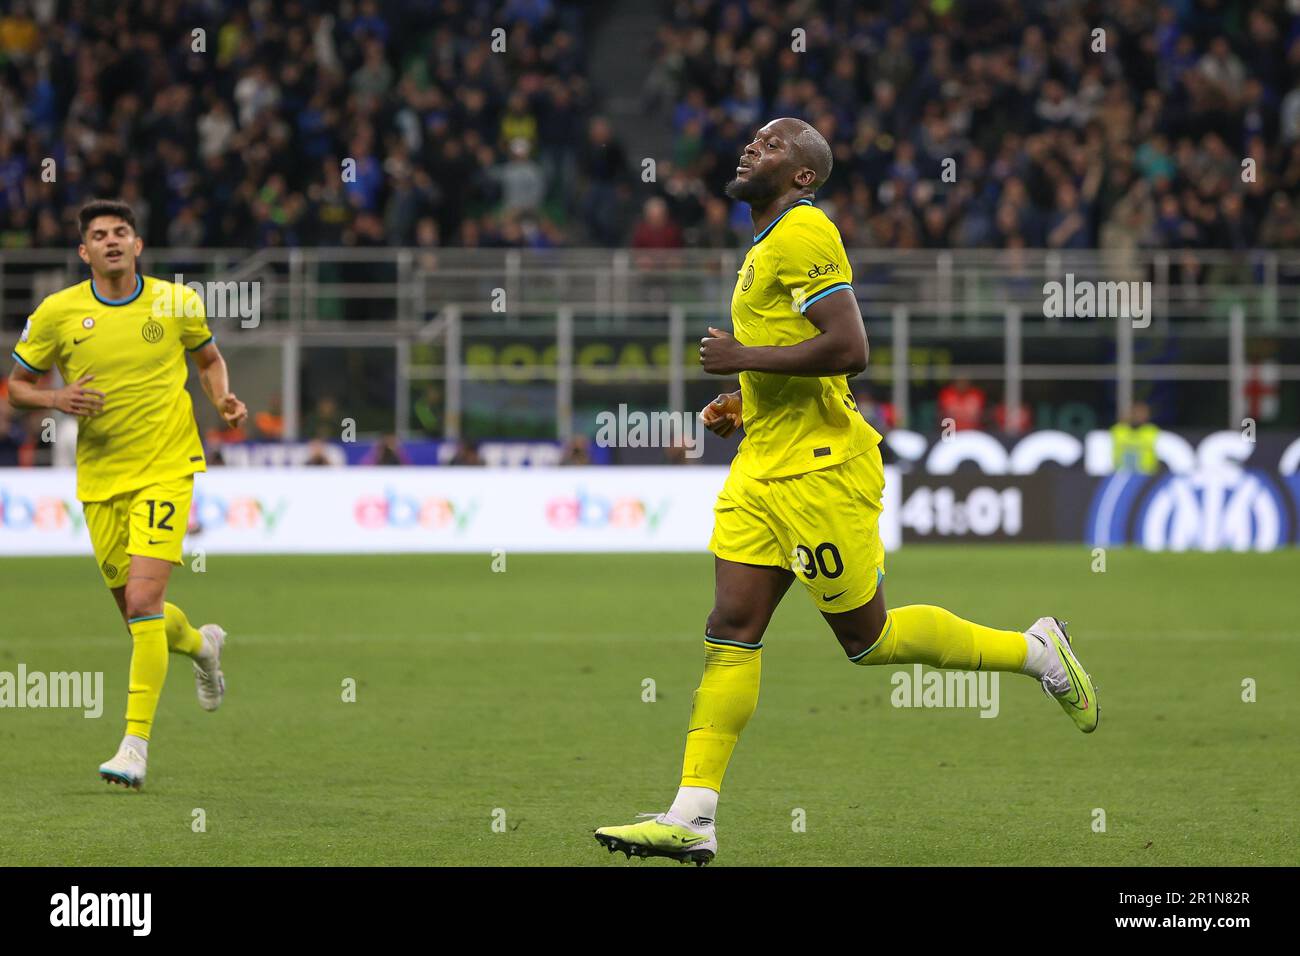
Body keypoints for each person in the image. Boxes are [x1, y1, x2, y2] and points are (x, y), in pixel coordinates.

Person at [594, 119, 1098, 866]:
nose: (750, 149)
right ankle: (692, 815)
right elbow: (800, 356)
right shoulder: (764, 243)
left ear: (803, 176)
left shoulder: (804, 231)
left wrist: (740, 355)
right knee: (731, 625)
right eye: (753, 141)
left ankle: (1036, 653)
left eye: (771, 145)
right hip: (764, 467)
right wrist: (746, 394)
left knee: (869, 640)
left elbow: (850, 348)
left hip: (821, 471)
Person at [7, 199, 247, 791]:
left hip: (167, 465)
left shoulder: (176, 301)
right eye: (98, 235)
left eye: (121, 232)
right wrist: (55, 400)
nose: (111, 241)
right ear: (83, 251)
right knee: (139, 616)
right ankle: (201, 645)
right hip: (100, 479)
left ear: (138, 245)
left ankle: (134, 746)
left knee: (143, 601)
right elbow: (15, 387)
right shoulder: (58, 313)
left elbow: (209, 360)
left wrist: (222, 399)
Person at [1111, 401, 1160, 473]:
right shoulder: (1118, 430)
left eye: (1142, 413)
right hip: (1121, 475)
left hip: (1146, 477)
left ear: (1147, 415)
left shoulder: (1152, 431)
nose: (1138, 415)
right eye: (1135, 412)